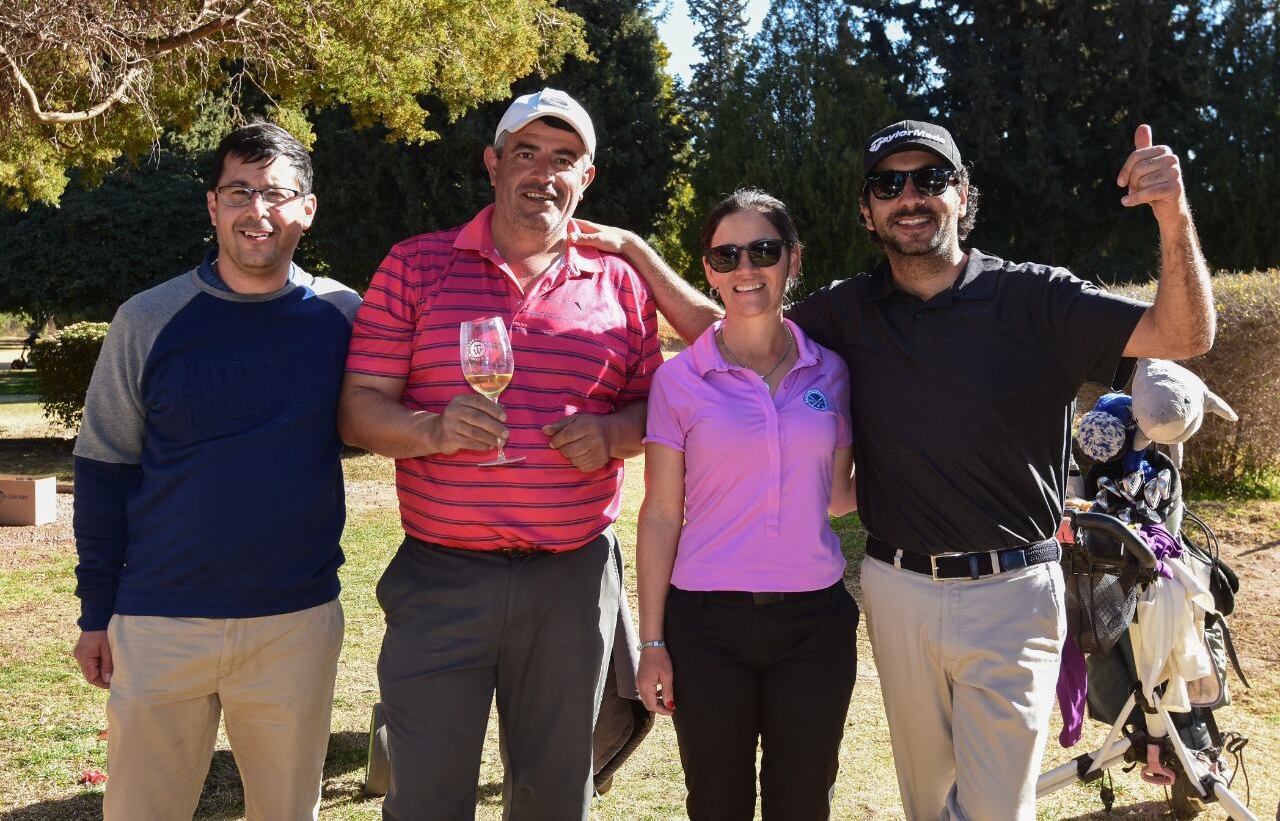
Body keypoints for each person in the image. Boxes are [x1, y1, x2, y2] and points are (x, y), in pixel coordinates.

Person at [579, 119, 1214, 819]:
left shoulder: (1037, 299)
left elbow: (1183, 334)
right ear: (867, 209)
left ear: (963, 193)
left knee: (995, 809)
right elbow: (735, 320)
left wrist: (1171, 210)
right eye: (889, 183)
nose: (909, 197)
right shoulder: (847, 312)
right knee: (926, 805)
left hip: (1013, 595)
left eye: (930, 179)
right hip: (896, 590)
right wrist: (638, 254)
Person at [337, 87, 662, 820]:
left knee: (554, 795)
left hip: (572, 581)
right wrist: (431, 431)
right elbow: (359, 410)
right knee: (427, 796)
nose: (543, 172)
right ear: (493, 163)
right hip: (441, 575)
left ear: (588, 178)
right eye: (526, 153)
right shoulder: (416, 267)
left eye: (564, 158)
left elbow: (666, 411)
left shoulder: (621, 283)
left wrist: (613, 435)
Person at [71, 122, 361, 820]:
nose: (256, 211)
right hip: (158, 619)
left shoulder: (345, 317)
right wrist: (94, 613)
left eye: (276, 194)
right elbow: (105, 467)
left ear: (308, 210)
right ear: (211, 205)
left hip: (294, 621)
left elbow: (373, 425)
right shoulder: (147, 320)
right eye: (239, 192)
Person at [634, 189, 858, 820]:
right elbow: (657, 515)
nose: (745, 269)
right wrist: (653, 641)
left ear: (792, 259)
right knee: (717, 803)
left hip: (815, 625)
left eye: (762, 250)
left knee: (804, 801)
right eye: (726, 255)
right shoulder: (679, 380)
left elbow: (840, 498)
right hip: (706, 628)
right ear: (708, 269)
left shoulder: (832, 371)